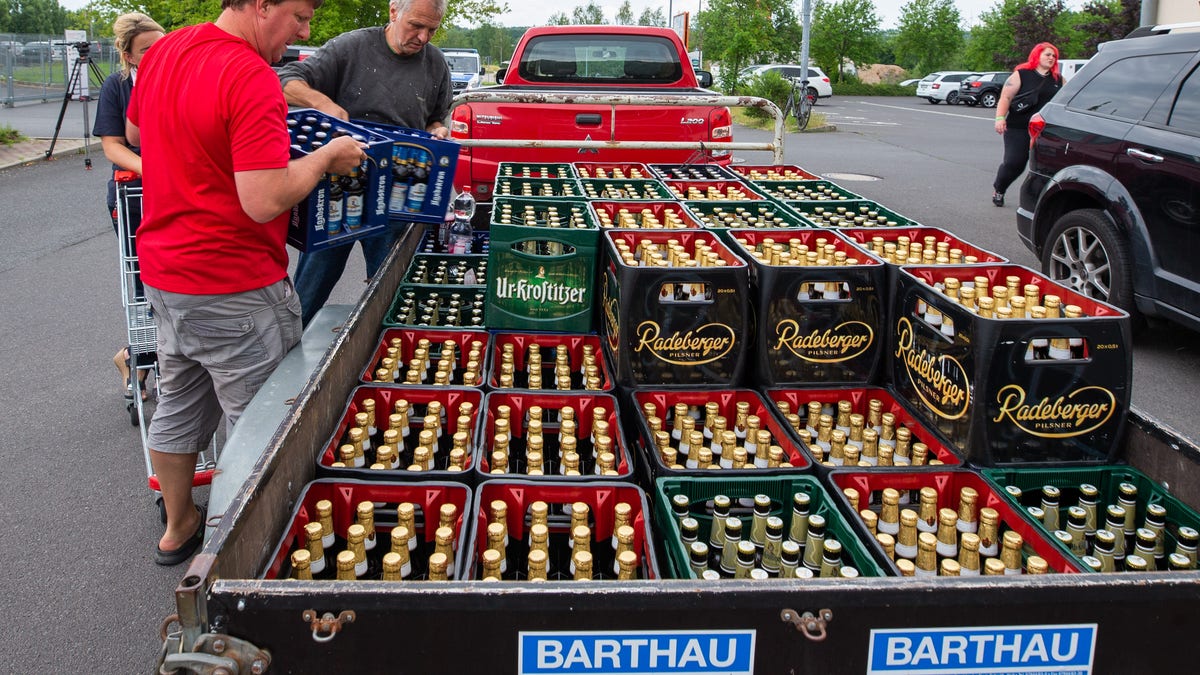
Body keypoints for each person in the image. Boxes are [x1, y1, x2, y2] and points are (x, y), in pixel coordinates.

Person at [125, 0, 367, 566]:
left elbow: (136, 130)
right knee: (263, 426)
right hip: (233, 283)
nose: (305, 31)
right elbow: (263, 200)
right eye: (301, 15)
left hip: (166, 273)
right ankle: (238, 558)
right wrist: (326, 157)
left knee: (180, 402)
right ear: (261, 4)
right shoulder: (250, 74)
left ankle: (179, 526)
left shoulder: (166, 50)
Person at [278, 0, 453, 326]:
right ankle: (285, 361)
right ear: (393, 12)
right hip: (336, 190)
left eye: (432, 29)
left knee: (390, 297)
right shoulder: (351, 46)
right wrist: (323, 103)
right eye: (416, 25)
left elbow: (434, 119)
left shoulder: (436, 64)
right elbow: (287, 79)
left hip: (396, 194)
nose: (424, 37)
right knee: (308, 292)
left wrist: (437, 131)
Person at [92, 12, 165, 401]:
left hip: (176, 192)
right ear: (129, 54)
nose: (158, 55)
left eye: (162, 46)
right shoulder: (117, 86)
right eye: (148, 50)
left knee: (174, 283)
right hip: (134, 193)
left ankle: (147, 358)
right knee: (143, 286)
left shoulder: (177, 79)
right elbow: (113, 145)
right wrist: (153, 169)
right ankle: (138, 360)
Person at [991, 42, 1063, 207]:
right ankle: (999, 188)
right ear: (1037, 55)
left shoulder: (1059, 80)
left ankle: (1039, 202)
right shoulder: (1021, 74)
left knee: (1045, 168)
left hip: (1045, 131)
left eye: (1054, 56)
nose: (1051, 58)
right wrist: (999, 118)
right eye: (1047, 55)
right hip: (1019, 127)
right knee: (1015, 162)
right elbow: (1006, 98)